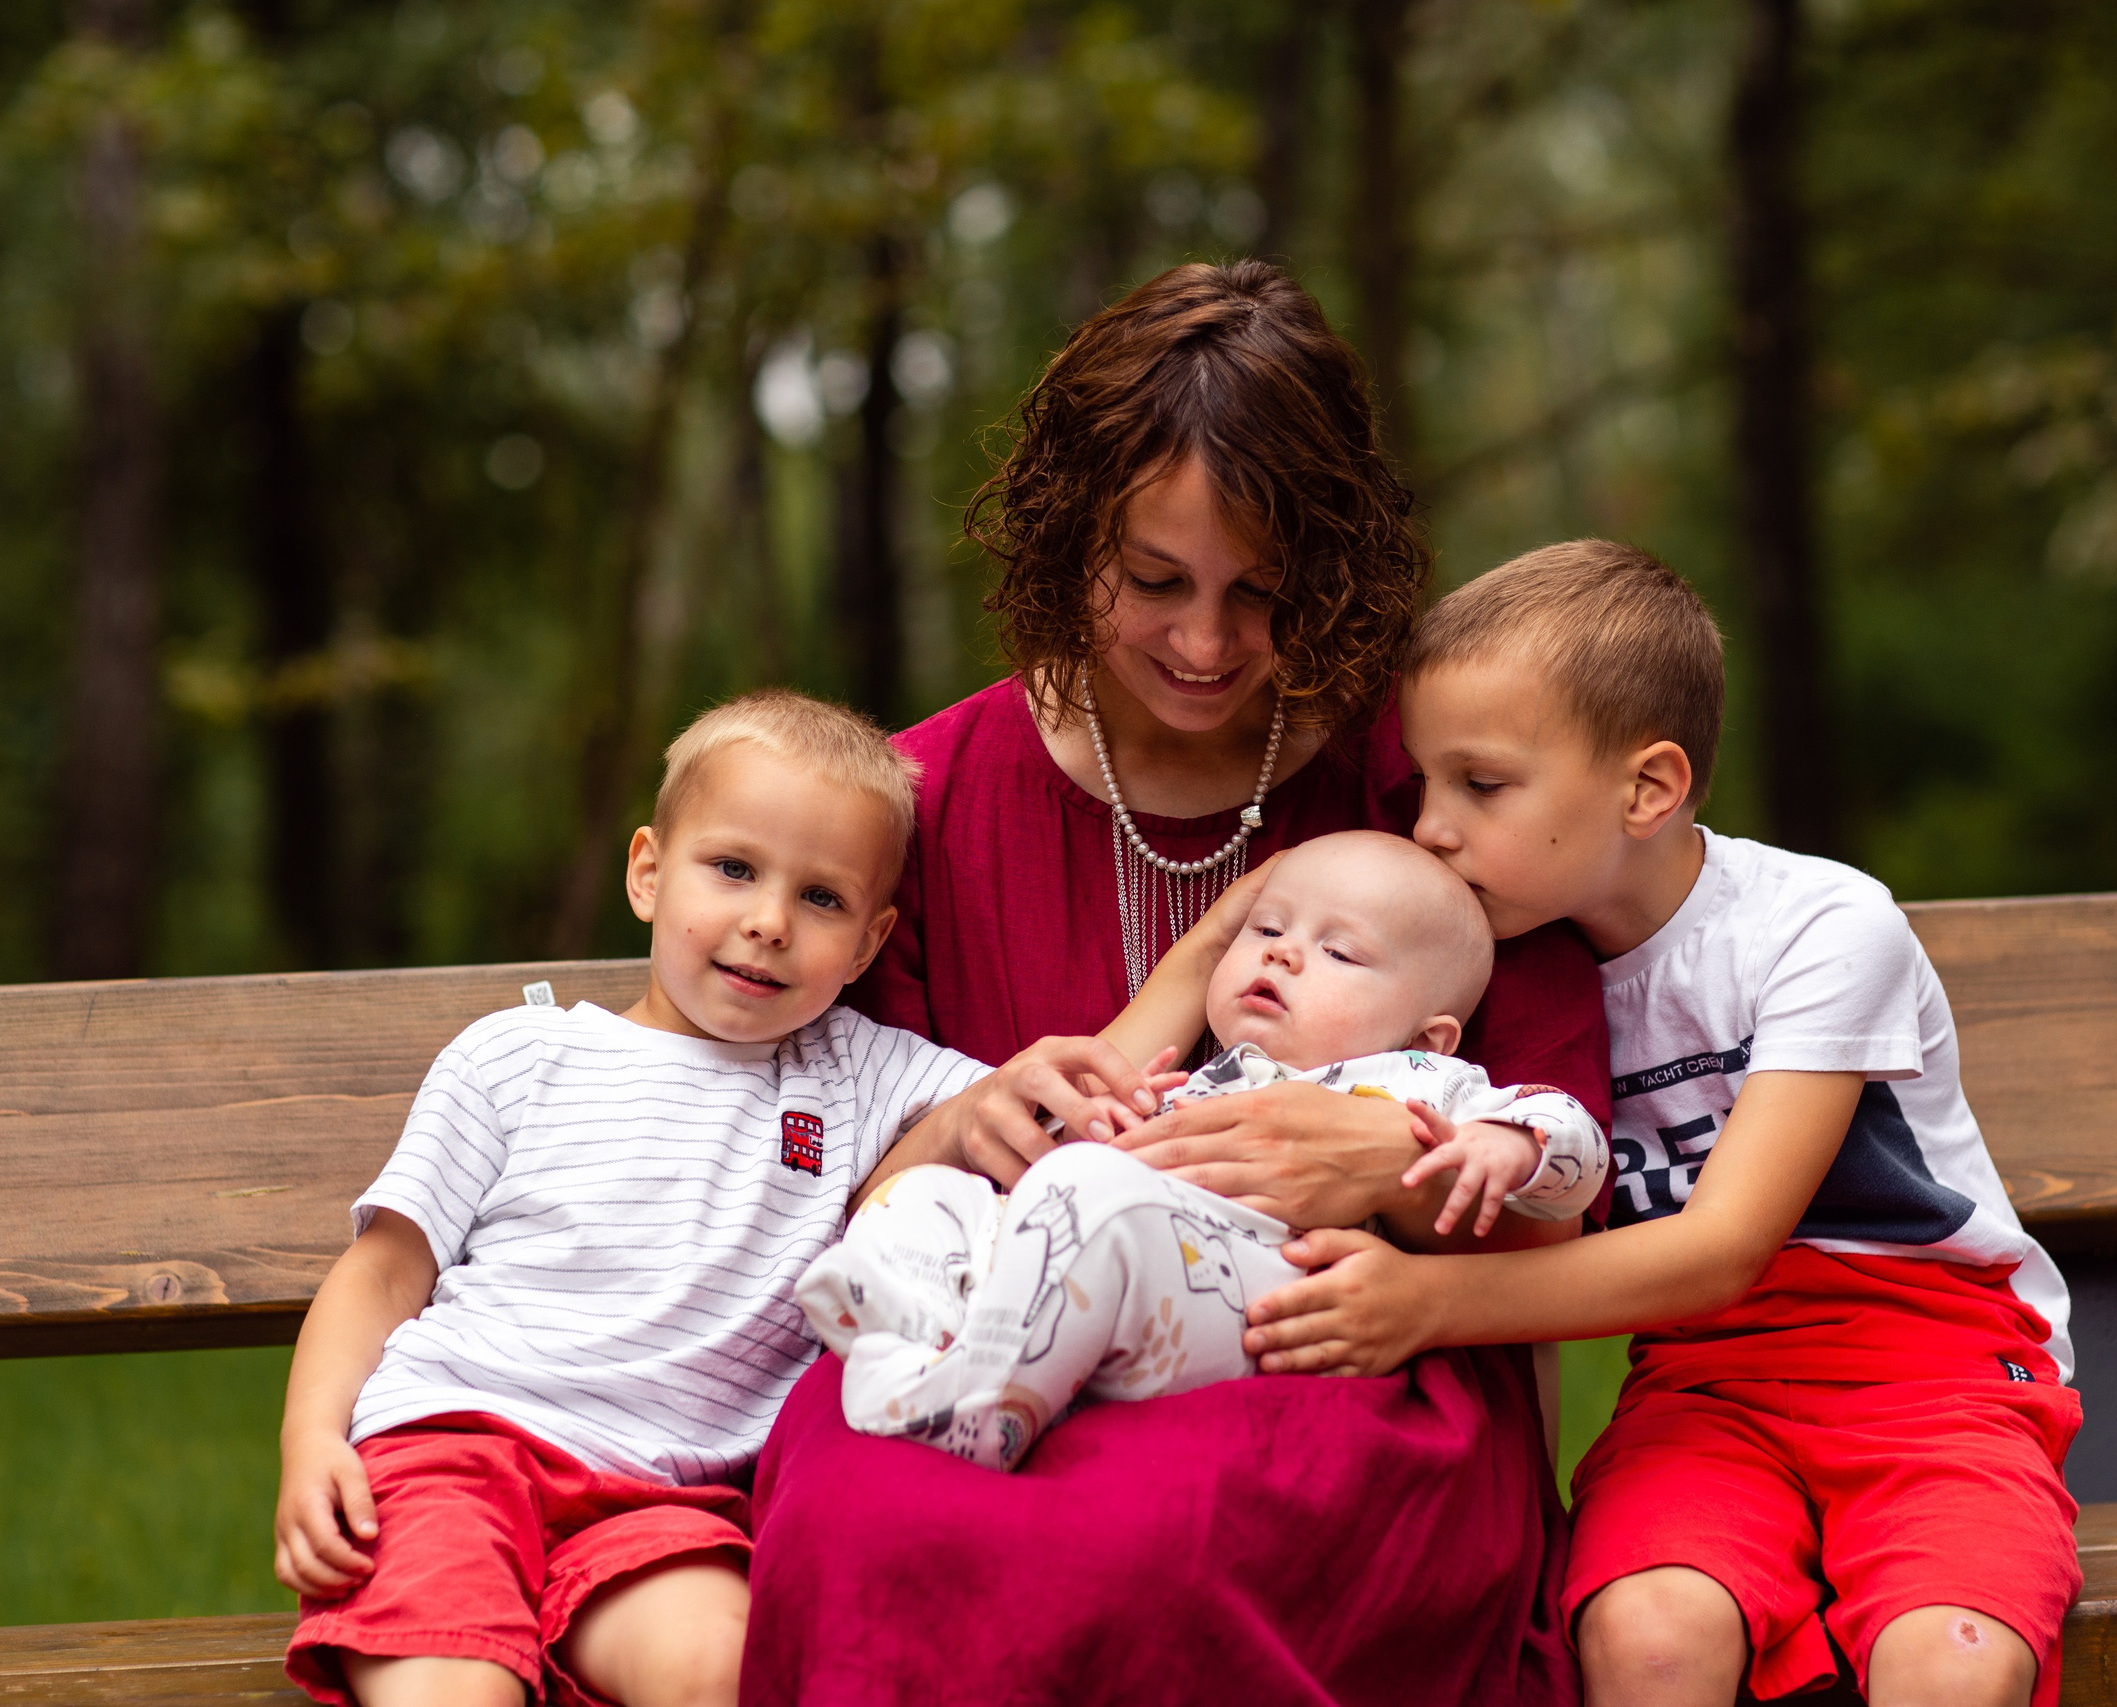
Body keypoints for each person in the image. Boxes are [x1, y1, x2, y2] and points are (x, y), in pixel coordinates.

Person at [739, 262, 1611, 1706]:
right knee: (857, 1507)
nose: (1206, 645)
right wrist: (963, 1126)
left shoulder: (1429, 790)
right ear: (1068, 536)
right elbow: (816, 1181)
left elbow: (1566, 1165)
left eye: (1259, 595)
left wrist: (1384, 1159)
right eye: (1154, 582)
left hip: (1333, 1345)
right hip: (977, 1322)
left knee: (1155, 1539)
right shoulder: (922, 799)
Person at [1241, 542, 2083, 1707]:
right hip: (1701, 1391)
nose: (1429, 828)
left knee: (1951, 1657)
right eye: (1424, 785)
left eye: (1480, 786)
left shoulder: (1818, 927)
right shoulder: (1493, 977)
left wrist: (1425, 1306)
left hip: (1931, 1375)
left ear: (1647, 789)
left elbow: (1721, 1249)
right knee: (1644, 1637)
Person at [273, 691, 1165, 1707]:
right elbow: (385, 1271)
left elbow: (1035, 1106)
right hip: (454, 1447)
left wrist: (1205, 960)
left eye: (821, 900)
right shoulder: (522, 1056)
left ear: (870, 946)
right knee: (450, 1690)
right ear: (648, 871)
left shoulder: (859, 1073)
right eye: (733, 869)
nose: (768, 922)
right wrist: (312, 1441)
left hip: (665, 1502)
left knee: (725, 1670)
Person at [795, 831, 1608, 1472]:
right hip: (1115, 1265)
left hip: (1252, 1289)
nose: (1283, 952)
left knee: (1091, 1193)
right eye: (1267, 929)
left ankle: (989, 1405)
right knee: (935, 1196)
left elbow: (1575, 1152)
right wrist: (1101, 1122)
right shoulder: (1195, 1074)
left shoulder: (1420, 1080)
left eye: (1341, 952)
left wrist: (1513, 1142)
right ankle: (923, 1316)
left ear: (1430, 1033)